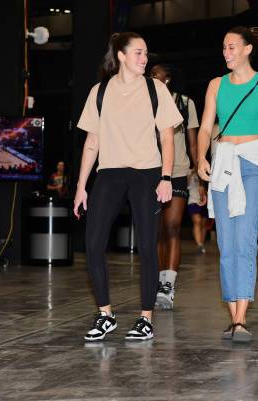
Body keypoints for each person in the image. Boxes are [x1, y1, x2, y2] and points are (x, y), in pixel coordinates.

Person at [74, 32, 183, 342]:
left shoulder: (156, 89)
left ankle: (145, 318)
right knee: (93, 244)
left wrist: (165, 177)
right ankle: (105, 314)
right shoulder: (100, 91)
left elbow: (166, 136)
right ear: (120, 55)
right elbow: (91, 143)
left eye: (145, 53)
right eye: (137, 53)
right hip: (108, 174)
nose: (144, 58)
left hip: (147, 174)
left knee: (148, 246)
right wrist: (82, 186)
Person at [197, 26, 258, 343]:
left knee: (245, 240)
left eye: (232, 47)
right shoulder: (215, 85)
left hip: (253, 163)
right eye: (224, 47)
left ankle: (240, 319)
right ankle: (234, 313)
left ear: (248, 49)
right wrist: (200, 158)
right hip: (223, 162)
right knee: (226, 243)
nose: (226, 52)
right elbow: (206, 126)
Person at [150, 64, 201, 310]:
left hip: (178, 171)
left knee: (171, 227)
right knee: (157, 230)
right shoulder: (143, 102)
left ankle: (168, 284)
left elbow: (193, 144)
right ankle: (159, 280)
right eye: (150, 75)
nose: (152, 78)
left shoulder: (184, 103)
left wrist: (199, 178)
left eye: (156, 74)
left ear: (167, 79)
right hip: (148, 172)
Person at [187, 169, 208, 254]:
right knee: (197, 222)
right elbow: (186, 185)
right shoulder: (190, 172)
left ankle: (201, 244)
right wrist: (191, 173)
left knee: (203, 224)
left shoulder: (205, 171)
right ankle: (199, 244)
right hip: (193, 201)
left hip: (204, 201)